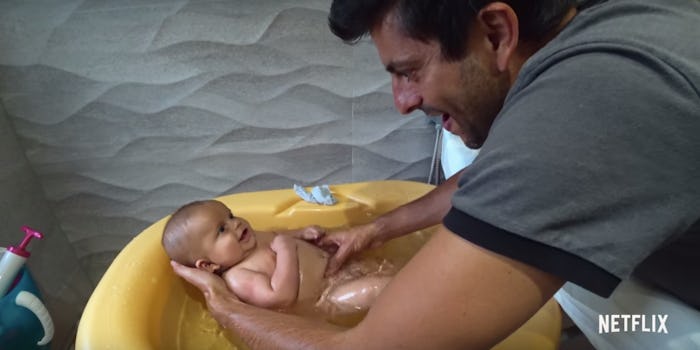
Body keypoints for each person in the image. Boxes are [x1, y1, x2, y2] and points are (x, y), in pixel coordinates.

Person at [171, 1, 700, 349]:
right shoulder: (609, 27)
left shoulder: (583, 113)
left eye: (409, 71)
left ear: (496, 32)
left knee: (619, 324)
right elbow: (494, 179)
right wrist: (374, 230)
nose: (402, 103)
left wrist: (219, 302)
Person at [163, 200, 393, 315]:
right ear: (208, 265)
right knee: (376, 290)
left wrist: (300, 233)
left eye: (230, 216)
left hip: (339, 268)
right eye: (221, 230)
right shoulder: (239, 277)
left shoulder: (252, 239)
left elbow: (277, 236)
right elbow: (280, 298)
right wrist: (287, 250)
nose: (235, 223)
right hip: (327, 297)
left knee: (392, 270)